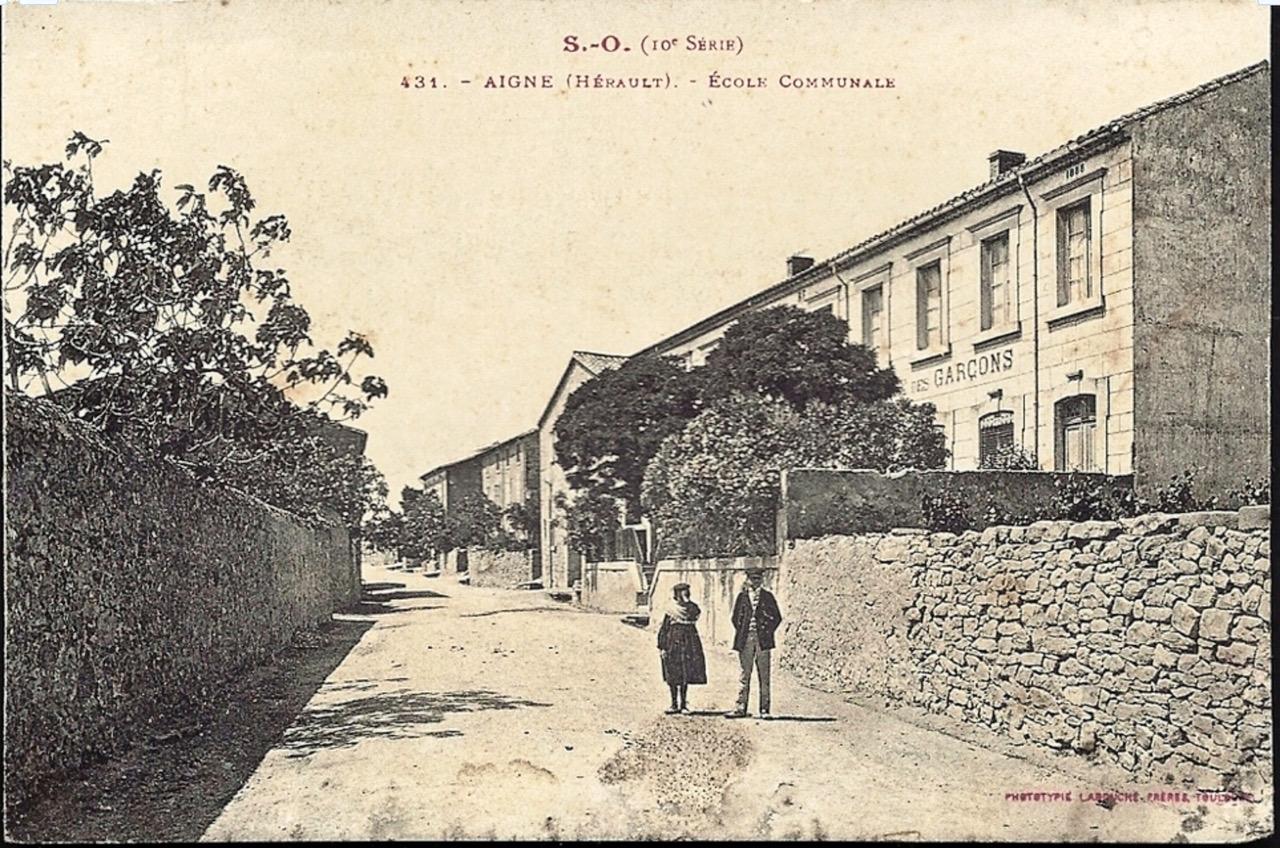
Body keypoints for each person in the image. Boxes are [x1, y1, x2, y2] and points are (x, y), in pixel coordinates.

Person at [725, 567, 782, 719]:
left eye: (758, 579)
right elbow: (735, 618)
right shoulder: (742, 597)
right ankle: (740, 707)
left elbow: (776, 617)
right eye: (752, 579)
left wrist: (766, 631)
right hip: (746, 640)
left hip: (763, 640)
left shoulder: (768, 597)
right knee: (745, 674)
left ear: (761, 580)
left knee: (764, 675)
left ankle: (764, 709)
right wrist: (744, 631)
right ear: (748, 580)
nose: (755, 582)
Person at [656, 582, 707, 714]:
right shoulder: (671, 609)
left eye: (686, 592)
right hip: (673, 642)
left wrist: (688, 603)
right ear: (676, 594)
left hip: (689, 642)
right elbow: (664, 629)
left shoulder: (692, 608)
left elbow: (695, 614)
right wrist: (662, 647)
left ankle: (683, 704)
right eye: (682, 593)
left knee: (685, 672)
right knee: (673, 673)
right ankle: (674, 704)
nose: (685, 595)